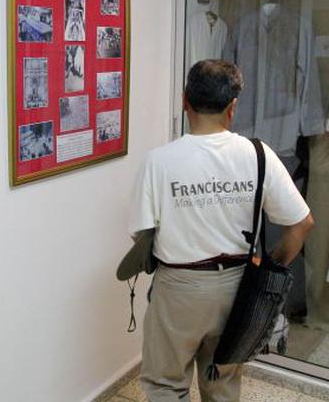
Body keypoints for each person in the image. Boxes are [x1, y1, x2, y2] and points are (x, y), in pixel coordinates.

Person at [129, 59, 314, 402]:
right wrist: (270, 266)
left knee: (165, 385)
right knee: (223, 381)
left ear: (185, 101)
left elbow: (141, 236)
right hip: (238, 286)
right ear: (233, 107)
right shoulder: (260, 155)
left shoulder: (158, 161)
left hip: (179, 289)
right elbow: (302, 223)